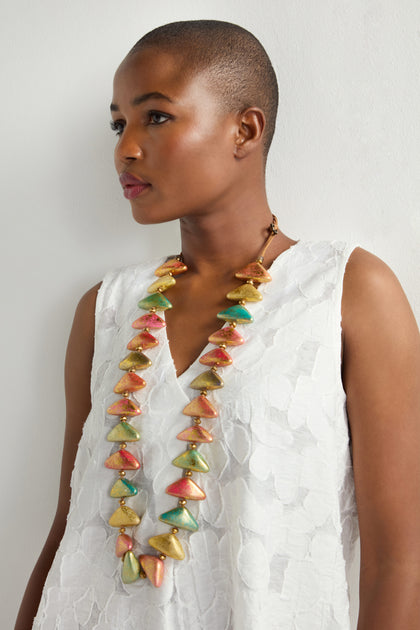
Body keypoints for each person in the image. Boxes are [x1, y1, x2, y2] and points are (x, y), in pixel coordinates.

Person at [16, 19, 420, 630]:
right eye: (118, 123)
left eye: (155, 116)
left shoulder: (347, 291)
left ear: (245, 129)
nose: (125, 146)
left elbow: (401, 560)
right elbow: (69, 531)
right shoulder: (104, 310)